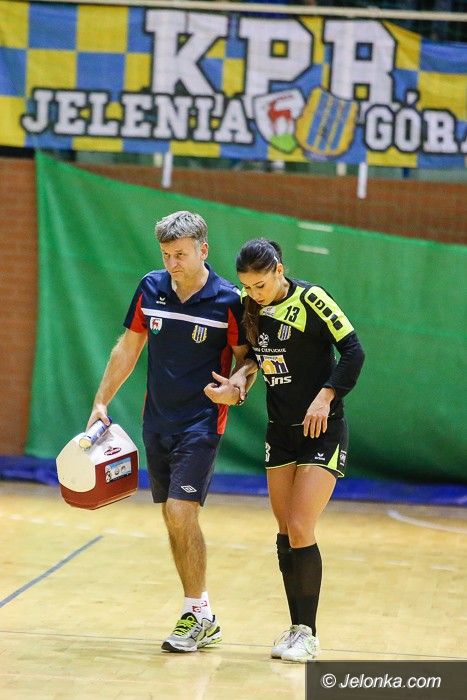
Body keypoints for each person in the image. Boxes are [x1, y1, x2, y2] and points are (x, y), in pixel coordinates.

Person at [87, 211, 249, 653]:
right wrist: (101, 402)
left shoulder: (229, 301)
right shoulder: (151, 288)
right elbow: (128, 347)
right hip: (157, 421)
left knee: (180, 510)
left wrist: (236, 387)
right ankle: (204, 615)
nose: (172, 263)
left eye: (180, 254)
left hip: (202, 422)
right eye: (166, 255)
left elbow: (248, 357)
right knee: (173, 517)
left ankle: (196, 613)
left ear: (203, 250)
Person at [204, 238, 365, 663]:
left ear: (279, 270)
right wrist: (236, 384)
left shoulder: (312, 299)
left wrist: (326, 396)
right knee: (283, 531)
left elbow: (354, 351)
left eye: (260, 284)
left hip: (322, 428)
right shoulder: (247, 307)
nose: (253, 293)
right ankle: (295, 628)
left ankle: (309, 633)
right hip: (280, 432)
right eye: (247, 286)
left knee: (299, 524)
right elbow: (253, 362)